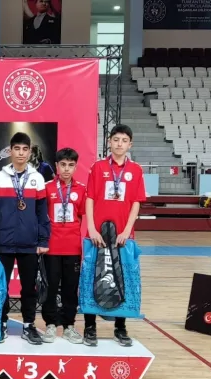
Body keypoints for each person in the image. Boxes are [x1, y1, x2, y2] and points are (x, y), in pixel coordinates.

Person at [85, 124, 144, 347]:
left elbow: (136, 202)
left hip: (122, 236)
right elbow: (90, 198)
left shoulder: (136, 170)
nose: (119, 144)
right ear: (109, 141)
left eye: (124, 140)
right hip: (98, 236)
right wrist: (91, 228)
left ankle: (121, 327)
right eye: (116, 139)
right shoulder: (98, 167)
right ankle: (90, 327)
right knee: (93, 277)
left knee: (122, 278)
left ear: (130, 144)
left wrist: (127, 230)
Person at [0, 132, 50, 345]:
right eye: (17, 149)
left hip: (29, 243)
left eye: (25, 149)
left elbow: (42, 213)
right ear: (10, 150)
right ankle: (1, 323)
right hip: (3, 243)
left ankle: (28, 325)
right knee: (1, 287)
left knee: (29, 288)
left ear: (30, 151)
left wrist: (43, 241)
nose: (21, 153)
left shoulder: (37, 178)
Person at [42, 148, 85, 344]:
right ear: (56, 166)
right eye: (63, 165)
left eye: (71, 165)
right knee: (50, 288)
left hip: (73, 248)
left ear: (75, 167)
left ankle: (69, 326)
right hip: (51, 248)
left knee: (70, 288)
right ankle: (50, 325)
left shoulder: (81, 189)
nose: (66, 169)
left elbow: (82, 216)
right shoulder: (47, 188)